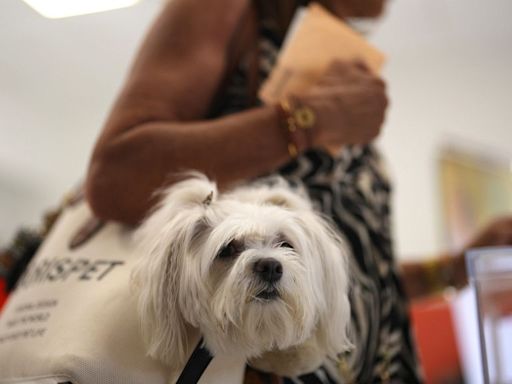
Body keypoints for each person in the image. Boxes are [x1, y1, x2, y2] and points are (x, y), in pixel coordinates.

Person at [85, 0, 418, 382]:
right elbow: (115, 173)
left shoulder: (328, 37)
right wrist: (307, 121)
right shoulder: (222, 9)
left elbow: (360, 280)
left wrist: (448, 271)